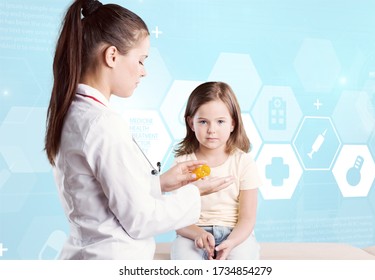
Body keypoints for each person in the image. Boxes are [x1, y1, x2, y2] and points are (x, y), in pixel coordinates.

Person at [44, 0, 233, 260]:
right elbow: (141, 220)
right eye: (141, 60)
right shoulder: (102, 124)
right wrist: (194, 192)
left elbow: (105, 193)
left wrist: (162, 183)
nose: (144, 72)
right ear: (112, 56)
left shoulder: (73, 113)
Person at [170, 81, 261, 260]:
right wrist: (197, 234)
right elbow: (177, 217)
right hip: (192, 235)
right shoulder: (182, 165)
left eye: (220, 121)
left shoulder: (244, 163)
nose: (212, 130)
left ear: (233, 124)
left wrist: (232, 242)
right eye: (203, 122)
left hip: (235, 235)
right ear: (191, 123)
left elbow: (247, 218)